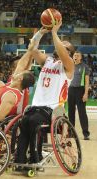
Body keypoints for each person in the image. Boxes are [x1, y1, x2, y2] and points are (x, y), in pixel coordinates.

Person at [15, 20, 75, 165]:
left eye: (65, 45)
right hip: (36, 106)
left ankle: (35, 159)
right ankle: (20, 161)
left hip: (53, 109)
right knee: (24, 123)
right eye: (61, 43)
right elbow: (32, 48)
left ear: (69, 53)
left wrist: (54, 32)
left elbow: (60, 50)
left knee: (34, 121)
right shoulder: (47, 61)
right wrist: (41, 33)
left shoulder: (69, 66)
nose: (61, 45)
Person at [68, 51, 90, 140]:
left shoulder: (85, 67)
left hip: (80, 91)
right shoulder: (69, 65)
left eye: (77, 55)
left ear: (81, 57)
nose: (75, 56)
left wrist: (86, 93)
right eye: (74, 55)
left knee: (82, 113)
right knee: (71, 112)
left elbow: (87, 81)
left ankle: (85, 133)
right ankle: (71, 132)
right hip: (71, 90)